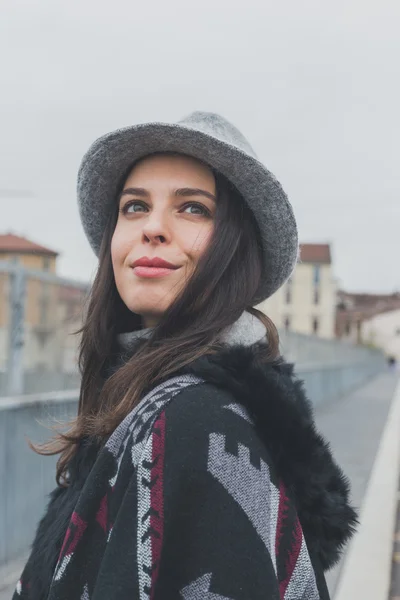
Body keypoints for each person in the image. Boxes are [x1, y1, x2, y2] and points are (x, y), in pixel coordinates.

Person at [13, 112, 357, 600]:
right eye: (134, 206)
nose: (152, 227)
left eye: (193, 209)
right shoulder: (159, 398)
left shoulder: (195, 421)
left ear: (238, 247)